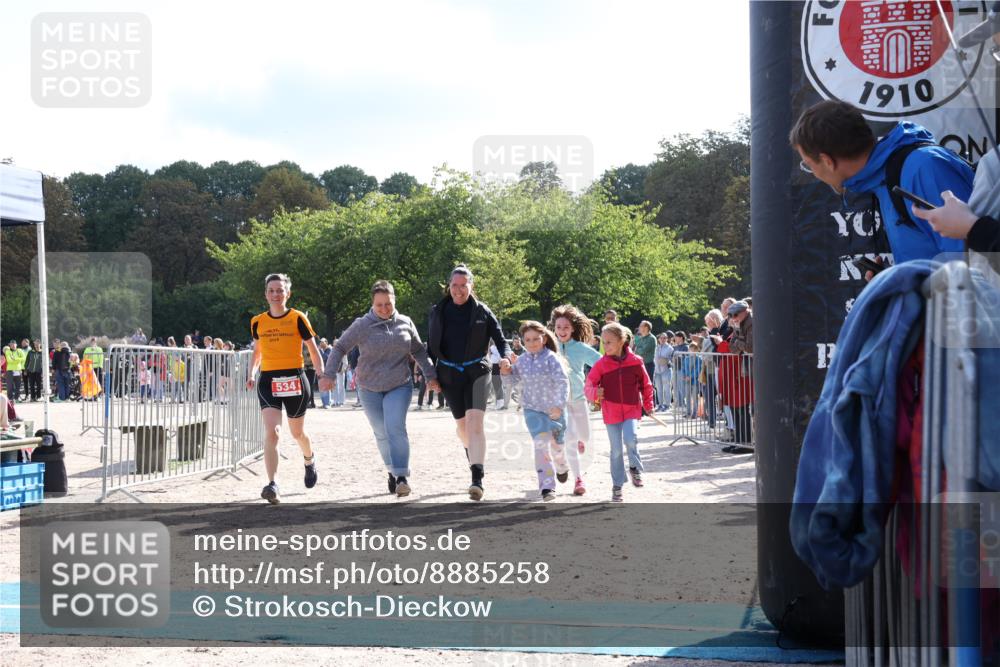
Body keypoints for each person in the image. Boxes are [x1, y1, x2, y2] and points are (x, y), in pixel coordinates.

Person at [791, 100, 970, 267]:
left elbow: (972, 264)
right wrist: (897, 281)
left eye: (808, 165)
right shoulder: (882, 177)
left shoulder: (923, 168)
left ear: (827, 161)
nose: (813, 173)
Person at [319, 281, 438, 497]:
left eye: (388, 304)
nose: (384, 309)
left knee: (395, 428)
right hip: (369, 387)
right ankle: (392, 471)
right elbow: (340, 347)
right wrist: (328, 374)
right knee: (382, 433)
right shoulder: (362, 325)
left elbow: (419, 350)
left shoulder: (405, 322)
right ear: (372, 304)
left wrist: (431, 376)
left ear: (394, 300)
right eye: (379, 305)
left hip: (399, 384)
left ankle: (402, 476)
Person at [427, 265, 511, 500]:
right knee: (463, 428)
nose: (459, 290)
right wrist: (429, 374)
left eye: (464, 285)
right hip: (449, 374)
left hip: (478, 371)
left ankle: (477, 478)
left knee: (475, 425)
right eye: (455, 285)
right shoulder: (438, 311)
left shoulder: (482, 311)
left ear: (471, 286)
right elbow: (431, 344)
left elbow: (500, 338)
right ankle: (471, 451)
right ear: (449, 286)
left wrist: (504, 357)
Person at [246, 273, 323, 504]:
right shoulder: (257, 321)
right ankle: (272, 484)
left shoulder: (298, 318)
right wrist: (251, 372)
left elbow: (312, 347)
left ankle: (309, 460)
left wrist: (322, 372)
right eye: (272, 290)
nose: (276, 294)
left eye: (280, 290)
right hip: (268, 380)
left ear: (287, 294)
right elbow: (257, 351)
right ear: (265, 294)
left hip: (295, 379)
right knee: (273, 432)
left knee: (297, 433)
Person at [585, 322, 655, 502]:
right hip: (611, 413)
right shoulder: (601, 364)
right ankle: (617, 485)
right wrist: (595, 393)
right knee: (616, 450)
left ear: (621, 341)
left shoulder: (636, 361)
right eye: (604, 342)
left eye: (609, 342)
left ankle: (634, 468)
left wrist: (648, 404)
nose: (605, 346)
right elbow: (588, 386)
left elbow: (646, 385)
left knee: (631, 439)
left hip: (632, 409)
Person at [501, 321, 569, 501]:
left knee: (556, 445)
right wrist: (506, 371)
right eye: (527, 340)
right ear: (523, 341)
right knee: (540, 446)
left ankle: (562, 465)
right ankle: (547, 486)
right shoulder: (522, 361)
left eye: (535, 339)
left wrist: (559, 405)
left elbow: (563, 382)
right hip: (532, 410)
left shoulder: (551, 359)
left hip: (554, 410)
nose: (531, 343)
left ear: (544, 339)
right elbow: (510, 383)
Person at [549, 303, 602, 495]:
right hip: (558, 403)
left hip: (579, 400)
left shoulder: (580, 348)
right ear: (554, 328)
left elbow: (601, 363)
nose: (562, 331)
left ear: (573, 329)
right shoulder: (549, 347)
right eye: (559, 327)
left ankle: (578, 441)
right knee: (569, 440)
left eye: (566, 327)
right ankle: (578, 479)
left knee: (584, 437)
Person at [654, 332, 674, 412]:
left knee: (667, 388)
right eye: (661, 338)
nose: (662, 339)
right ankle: (660, 405)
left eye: (664, 338)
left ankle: (667, 405)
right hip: (657, 370)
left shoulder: (670, 348)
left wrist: (665, 360)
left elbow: (671, 359)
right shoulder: (656, 347)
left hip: (666, 370)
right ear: (658, 339)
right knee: (658, 388)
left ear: (667, 339)